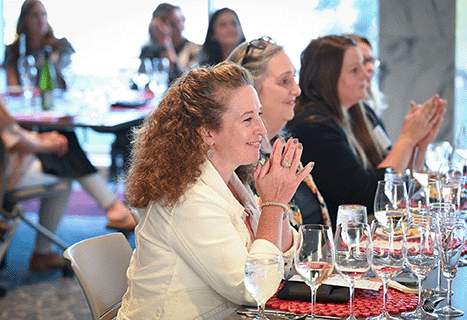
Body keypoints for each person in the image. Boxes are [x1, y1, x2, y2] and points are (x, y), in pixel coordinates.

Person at [117, 62, 311, 319]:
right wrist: (273, 205)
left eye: (259, 115)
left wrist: (277, 203)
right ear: (208, 132)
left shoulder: (230, 179)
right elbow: (253, 289)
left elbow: (286, 260)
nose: (262, 129)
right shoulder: (188, 199)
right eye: (248, 119)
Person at [3, 0, 136, 231]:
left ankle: (111, 207)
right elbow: (16, 97)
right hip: (16, 145)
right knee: (62, 146)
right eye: (35, 15)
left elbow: (67, 83)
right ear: (24, 20)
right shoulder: (15, 52)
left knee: (62, 141)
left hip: (47, 118)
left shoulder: (58, 46)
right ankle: (112, 206)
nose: (41, 20)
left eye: (43, 14)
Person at [286, 35, 446, 225]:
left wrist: (419, 145)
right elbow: (368, 198)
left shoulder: (362, 113)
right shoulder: (313, 128)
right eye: (355, 70)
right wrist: (408, 139)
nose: (365, 74)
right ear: (327, 78)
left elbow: (398, 180)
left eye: (364, 64)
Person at [228, 36, 330, 227]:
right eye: (284, 81)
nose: (297, 90)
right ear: (251, 92)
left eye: (294, 77)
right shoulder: (238, 162)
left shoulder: (281, 146)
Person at [0, 76, 71, 271]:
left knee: (59, 152)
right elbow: (13, 140)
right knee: (63, 172)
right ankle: (42, 253)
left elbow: (8, 133)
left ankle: (112, 207)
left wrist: (41, 139)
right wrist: (47, 145)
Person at [139, 2, 201, 83]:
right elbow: (138, 83)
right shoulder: (148, 50)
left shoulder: (194, 49)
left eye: (180, 21)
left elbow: (183, 81)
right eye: (172, 24)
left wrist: (166, 44)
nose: (180, 26)